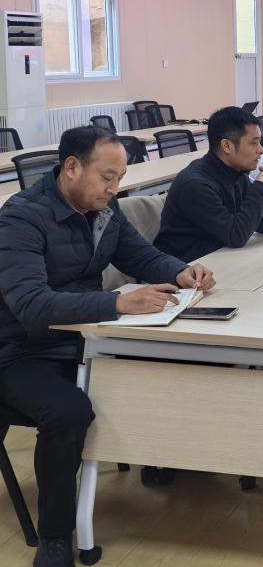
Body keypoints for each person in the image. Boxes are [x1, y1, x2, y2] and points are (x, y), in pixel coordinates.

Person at [0, 126, 215, 567]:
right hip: (21, 349)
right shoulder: (20, 218)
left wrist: (181, 272)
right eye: (107, 177)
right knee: (68, 411)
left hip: (82, 338)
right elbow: (31, 304)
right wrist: (116, 303)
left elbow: (140, 256)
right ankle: (55, 536)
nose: (115, 188)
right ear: (71, 167)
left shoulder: (103, 209)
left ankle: (165, 459)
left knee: (165, 365)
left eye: (120, 178)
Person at [155, 106, 263, 263]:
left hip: (221, 258)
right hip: (189, 267)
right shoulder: (196, 185)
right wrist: (260, 189)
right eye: (254, 143)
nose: (261, 149)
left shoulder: (236, 172)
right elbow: (236, 236)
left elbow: (262, 226)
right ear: (227, 146)